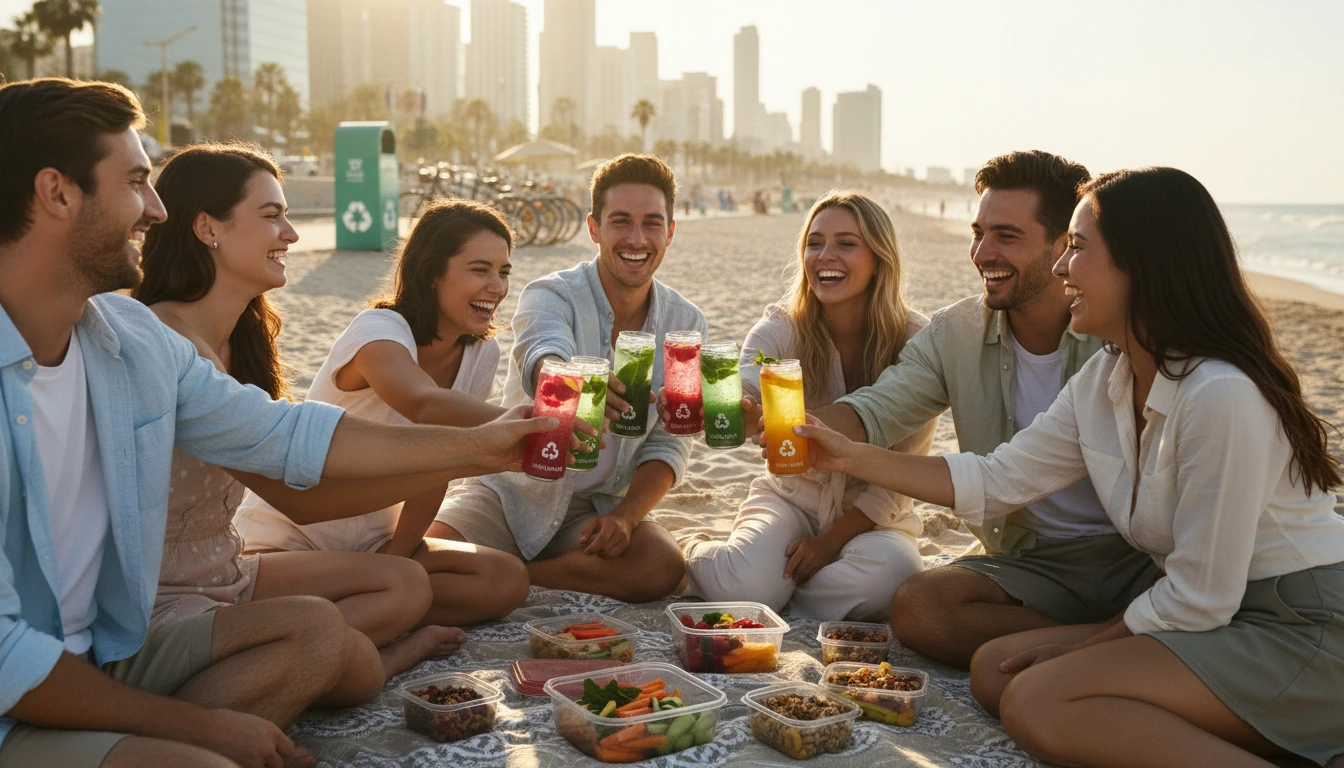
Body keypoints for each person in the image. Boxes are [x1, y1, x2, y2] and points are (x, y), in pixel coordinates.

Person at [0, 78, 553, 767]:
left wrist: (486, 447)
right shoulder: (151, 330)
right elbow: (8, 657)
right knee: (210, 756)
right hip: (19, 695)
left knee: (320, 633)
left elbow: (286, 437)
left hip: (113, 645)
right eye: (138, 182)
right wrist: (198, 729)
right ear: (55, 192)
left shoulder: (127, 340)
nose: (156, 208)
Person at [794, 167, 1344, 768]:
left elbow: (1199, 596)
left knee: (1038, 700)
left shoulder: (1219, 393)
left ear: (1145, 264)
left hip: (1295, 627)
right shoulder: (1105, 378)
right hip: (1215, 615)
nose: (1061, 267)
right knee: (994, 671)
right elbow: (998, 477)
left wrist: (1086, 645)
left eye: (1078, 249)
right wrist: (845, 451)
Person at [134, 144, 483, 699]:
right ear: (207, 228)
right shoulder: (166, 339)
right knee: (356, 667)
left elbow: (301, 489)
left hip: (228, 574)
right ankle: (365, 660)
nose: (291, 234)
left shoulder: (240, 340)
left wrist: (466, 454)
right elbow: (303, 498)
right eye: (272, 216)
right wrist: (478, 448)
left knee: (405, 582)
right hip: (161, 602)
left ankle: (329, 658)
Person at [805, 151, 1159, 668]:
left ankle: (1115, 633)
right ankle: (1108, 635)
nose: (981, 252)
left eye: (1006, 236)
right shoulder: (955, 333)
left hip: (1140, 556)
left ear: (1064, 246)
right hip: (1031, 559)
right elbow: (875, 410)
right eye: (978, 232)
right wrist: (791, 426)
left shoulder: (1118, 336)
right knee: (922, 610)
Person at [234, 199, 537, 627]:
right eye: (479, 270)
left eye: (503, 272)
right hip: (295, 538)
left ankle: (369, 611)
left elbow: (441, 467)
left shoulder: (482, 353)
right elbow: (421, 402)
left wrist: (400, 553)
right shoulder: (377, 331)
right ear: (433, 273)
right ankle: (360, 620)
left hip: (375, 543)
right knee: (400, 587)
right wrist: (529, 425)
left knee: (503, 578)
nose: (497, 287)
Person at [429, 154, 701, 602]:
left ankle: (518, 576)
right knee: (427, 561)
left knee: (660, 565)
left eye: (652, 223)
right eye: (621, 222)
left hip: (595, 509)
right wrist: (569, 383)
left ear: (670, 232)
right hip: (513, 489)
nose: (637, 238)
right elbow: (540, 351)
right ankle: (513, 573)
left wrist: (628, 518)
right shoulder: (551, 293)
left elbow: (669, 444)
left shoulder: (685, 323)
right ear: (594, 229)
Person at [679, 192, 933, 620]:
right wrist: (736, 411)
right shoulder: (783, 326)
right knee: (746, 587)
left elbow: (898, 480)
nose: (824, 256)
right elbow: (746, 382)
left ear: (879, 257)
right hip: (790, 498)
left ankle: (778, 589)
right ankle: (702, 553)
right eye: (815, 243)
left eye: (846, 244)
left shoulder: (915, 341)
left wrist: (827, 545)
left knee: (891, 577)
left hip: (871, 518)